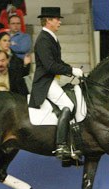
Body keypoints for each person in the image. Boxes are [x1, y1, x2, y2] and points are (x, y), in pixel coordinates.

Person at [28, 7, 83, 164]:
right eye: (57, 19)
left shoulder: (51, 37)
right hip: (45, 81)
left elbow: (58, 63)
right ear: (48, 21)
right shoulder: (43, 39)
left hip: (52, 79)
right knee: (68, 104)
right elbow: (50, 65)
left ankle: (71, 144)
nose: (59, 21)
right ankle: (60, 146)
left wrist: (74, 72)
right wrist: (71, 70)